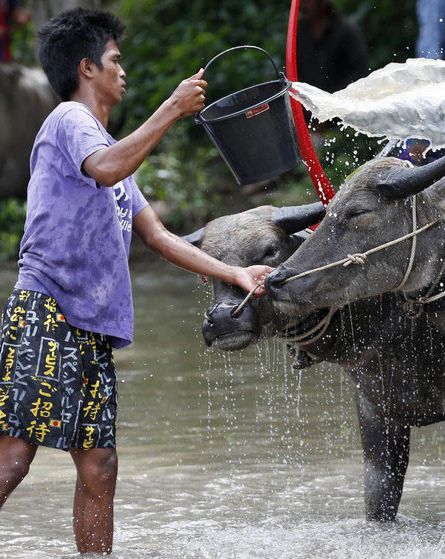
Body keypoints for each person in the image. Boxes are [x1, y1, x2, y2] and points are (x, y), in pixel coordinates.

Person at [0, 8, 272, 555]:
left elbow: (162, 239)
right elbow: (105, 169)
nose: (123, 71)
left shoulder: (109, 149)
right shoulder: (70, 122)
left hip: (92, 326)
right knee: (13, 458)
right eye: (115, 61)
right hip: (47, 309)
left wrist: (234, 272)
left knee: (99, 464)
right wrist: (171, 108)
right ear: (86, 68)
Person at [297, 0, 369, 93]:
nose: (304, 5)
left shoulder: (346, 32)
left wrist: (334, 97)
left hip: (342, 101)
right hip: (308, 102)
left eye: (308, 1)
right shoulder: (299, 33)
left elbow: (360, 73)